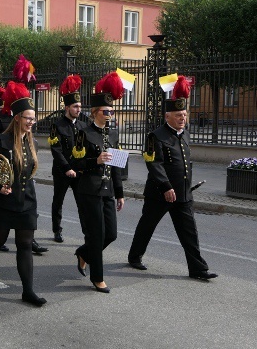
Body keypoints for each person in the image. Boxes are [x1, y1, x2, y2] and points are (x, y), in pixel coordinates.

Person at [128, 76, 218, 281]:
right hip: (161, 194)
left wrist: (185, 186)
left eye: (184, 115)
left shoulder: (184, 134)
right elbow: (154, 163)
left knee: (189, 232)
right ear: (167, 116)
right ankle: (135, 256)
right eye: (178, 115)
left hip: (183, 193)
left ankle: (198, 269)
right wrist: (166, 186)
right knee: (147, 226)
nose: (182, 118)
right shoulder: (156, 136)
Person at [0, 81, 47, 307]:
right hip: (3, 201)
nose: (31, 122)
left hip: (27, 200)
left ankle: (28, 291)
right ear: (17, 117)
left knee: (25, 244)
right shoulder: (1, 141)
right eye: (28, 118)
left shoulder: (31, 141)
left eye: (33, 118)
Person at [71, 72, 125, 293]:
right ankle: (97, 278)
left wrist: (120, 193)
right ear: (95, 112)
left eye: (111, 110)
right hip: (89, 190)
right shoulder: (84, 133)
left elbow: (116, 166)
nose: (109, 113)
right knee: (97, 234)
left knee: (110, 234)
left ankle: (84, 253)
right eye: (106, 111)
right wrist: (95, 160)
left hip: (107, 190)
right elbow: (76, 161)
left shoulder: (112, 134)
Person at [49, 75, 87, 243]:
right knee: (58, 201)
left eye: (79, 106)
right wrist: (66, 168)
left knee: (82, 204)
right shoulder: (56, 125)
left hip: (79, 172)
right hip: (62, 171)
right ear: (67, 107)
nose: (78, 109)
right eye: (75, 106)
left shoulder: (83, 126)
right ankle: (57, 230)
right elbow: (56, 150)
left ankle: (87, 232)